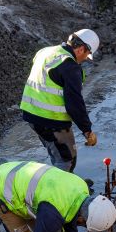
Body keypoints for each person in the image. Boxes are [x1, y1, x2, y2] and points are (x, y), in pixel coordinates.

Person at [20, 29, 99, 172]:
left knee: (57, 153)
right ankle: (58, 185)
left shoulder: (46, 51)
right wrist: (87, 130)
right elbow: (74, 103)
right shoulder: (70, 66)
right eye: (87, 54)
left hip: (31, 114)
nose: (85, 59)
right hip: (50, 120)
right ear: (81, 49)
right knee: (66, 160)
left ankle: (61, 181)